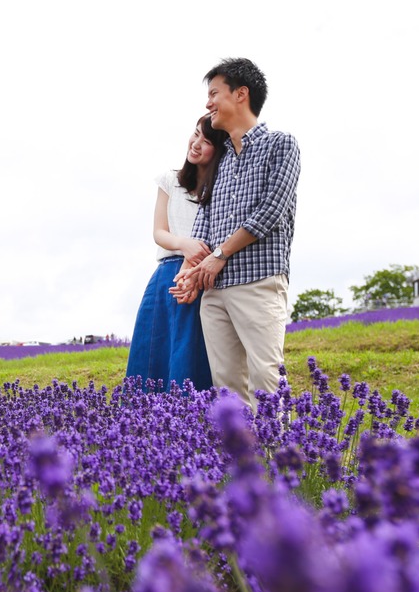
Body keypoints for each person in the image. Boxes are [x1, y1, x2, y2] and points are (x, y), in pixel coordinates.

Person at [172, 57, 300, 408]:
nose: (208, 103)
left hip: (258, 282)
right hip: (214, 291)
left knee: (266, 381)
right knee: (227, 388)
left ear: (241, 94)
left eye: (214, 93)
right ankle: (241, 463)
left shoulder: (281, 145)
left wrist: (219, 256)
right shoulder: (221, 160)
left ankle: (277, 461)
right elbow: (205, 221)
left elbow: (271, 211)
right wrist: (189, 273)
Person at [125, 114, 229, 392]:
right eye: (195, 134)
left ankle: (189, 423)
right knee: (151, 351)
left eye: (206, 142)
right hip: (165, 276)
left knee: (189, 354)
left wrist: (192, 259)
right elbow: (159, 232)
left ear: (218, 151)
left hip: (200, 275)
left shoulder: (221, 188)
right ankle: (142, 425)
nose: (195, 144)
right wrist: (184, 244)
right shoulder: (170, 180)